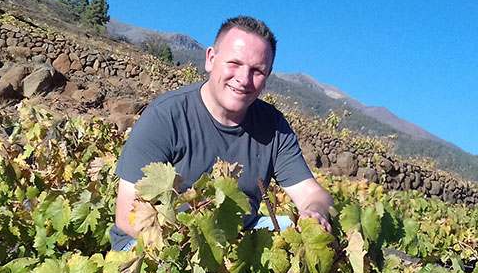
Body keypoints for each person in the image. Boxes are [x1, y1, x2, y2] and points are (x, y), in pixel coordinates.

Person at [110, 16, 333, 251]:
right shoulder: (166, 116)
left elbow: (313, 194)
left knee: (310, 232)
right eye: (234, 63)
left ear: (267, 77)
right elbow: (127, 218)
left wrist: (314, 212)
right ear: (210, 59)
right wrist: (206, 247)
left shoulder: (273, 126)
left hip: (235, 237)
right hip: (159, 244)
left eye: (257, 71)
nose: (243, 79)